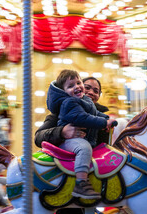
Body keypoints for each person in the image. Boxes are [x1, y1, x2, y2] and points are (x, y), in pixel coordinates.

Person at [35, 75, 110, 214]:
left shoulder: (101, 116)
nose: (91, 92)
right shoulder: (61, 109)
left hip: (95, 175)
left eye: (96, 90)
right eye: (87, 87)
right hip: (69, 176)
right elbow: (38, 137)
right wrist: (60, 132)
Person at [46, 69, 115, 200]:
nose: (77, 87)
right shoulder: (69, 102)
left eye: (78, 83)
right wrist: (103, 122)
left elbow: (95, 114)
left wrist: (107, 119)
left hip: (86, 140)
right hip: (70, 141)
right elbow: (83, 117)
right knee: (84, 148)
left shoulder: (85, 101)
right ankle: (81, 183)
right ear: (63, 91)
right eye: (71, 86)